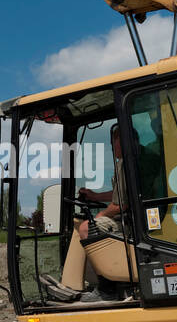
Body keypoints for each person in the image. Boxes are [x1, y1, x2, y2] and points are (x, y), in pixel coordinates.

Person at [41, 125, 136, 302]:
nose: (111, 147)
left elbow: (120, 205)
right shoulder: (128, 162)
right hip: (131, 218)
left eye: (113, 142)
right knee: (87, 225)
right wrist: (96, 196)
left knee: (86, 228)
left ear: (122, 141)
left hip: (131, 222)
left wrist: (99, 216)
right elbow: (120, 193)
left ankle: (107, 289)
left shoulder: (128, 163)